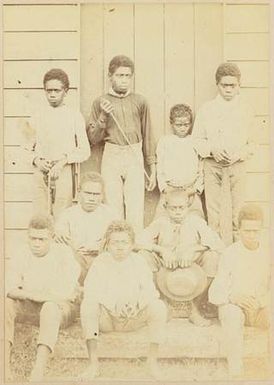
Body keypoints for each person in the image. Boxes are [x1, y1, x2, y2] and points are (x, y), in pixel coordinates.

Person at [80, 221, 167, 379]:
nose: (120, 247)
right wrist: (113, 304)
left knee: (158, 307)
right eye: (115, 243)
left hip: (132, 318)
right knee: (88, 305)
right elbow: (91, 290)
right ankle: (93, 364)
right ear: (107, 244)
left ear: (132, 244)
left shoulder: (139, 262)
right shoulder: (100, 262)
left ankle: (152, 362)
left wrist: (137, 304)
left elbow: (150, 291)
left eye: (124, 242)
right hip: (107, 319)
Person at [5, 215, 80, 382]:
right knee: (6, 304)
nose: (36, 243)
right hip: (31, 303)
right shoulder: (21, 252)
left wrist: (30, 293)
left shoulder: (64, 254)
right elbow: (8, 288)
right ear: (28, 236)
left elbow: (62, 294)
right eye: (33, 238)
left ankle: (38, 369)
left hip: (61, 308)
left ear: (52, 238)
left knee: (50, 307)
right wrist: (32, 295)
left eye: (42, 239)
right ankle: (3, 365)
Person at [86, 55, 156, 232]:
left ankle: (135, 250)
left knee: (135, 206)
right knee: (112, 206)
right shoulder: (100, 102)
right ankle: (114, 247)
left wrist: (152, 168)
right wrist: (103, 116)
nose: (124, 80)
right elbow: (93, 139)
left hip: (134, 154)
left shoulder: (140, 101)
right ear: (110, 76)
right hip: (112, 154)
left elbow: (148, 135)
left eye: (127, 76)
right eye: (119, 75)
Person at [137, 189, 224, 326]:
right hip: (166, 268)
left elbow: (217, 243)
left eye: (181, 208)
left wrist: (193, 250)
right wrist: (161, 250)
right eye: (173, 208)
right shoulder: (160, 222)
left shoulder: (196, 222)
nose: (178, 212)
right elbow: (138, 241)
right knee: (143, 256)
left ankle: (194, 307)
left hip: (191, 269)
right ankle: (164, 303)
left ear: (188, 206)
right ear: (165, 207)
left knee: (213, 257)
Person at [192, 62, 255, 245]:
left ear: (239, 85)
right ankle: (216, 254)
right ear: (217, 85)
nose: (228, 89)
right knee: (214, 213)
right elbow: (197, 140)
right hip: (213, 165)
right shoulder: (207, 109)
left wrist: (238, 154)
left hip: (237, 164)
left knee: (239, 211)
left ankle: (239, 251)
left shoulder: (246, 110)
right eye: (224, 85)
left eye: (232, 86)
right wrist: (212, 150)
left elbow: (253, 144)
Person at [208, 204, 270, 378]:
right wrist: (232, 296)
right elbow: (215, 292)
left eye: (255, 231)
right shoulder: (230, 254)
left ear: (262, 231)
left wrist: (260, 302)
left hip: (259, 308)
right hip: (234, 306)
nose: (251, 235)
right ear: (239, 230)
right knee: (231, 314)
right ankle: (236, 371)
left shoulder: (268, 254)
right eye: (247, 231)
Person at [23, 68, 90, 218]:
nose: (52, 94)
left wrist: (63, 162)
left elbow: (84, 150)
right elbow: (25, 148)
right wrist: (36, 160)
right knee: (41, 215)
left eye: (57, 90)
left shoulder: (74, 116)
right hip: (41, 171)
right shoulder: (37, 115)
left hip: (63, 171)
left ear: (65, 91)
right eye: (49, 91)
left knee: (62, 215)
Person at [54, 172, 118, 284]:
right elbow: (62, 240)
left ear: (102, 196)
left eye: (96, 194)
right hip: (76, 262)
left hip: (101, 260)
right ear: (78, 193)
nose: (91, 199)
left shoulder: (110, 214)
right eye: (88, 193)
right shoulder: (67, 214)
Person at [156, 103, 204, 216]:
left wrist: (196, 189)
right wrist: (164, 188)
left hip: (190, 191)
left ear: (191, 123)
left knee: (195, 219)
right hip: (170, 190)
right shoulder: (165, 142)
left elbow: (201, 168)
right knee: (163, 219)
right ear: (172, 123)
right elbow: (160, 168)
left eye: (186, 124)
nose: (183, 128)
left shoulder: (195, 141)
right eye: (179, 125)